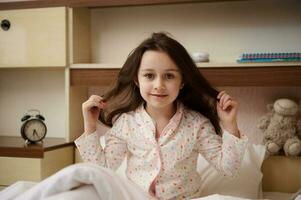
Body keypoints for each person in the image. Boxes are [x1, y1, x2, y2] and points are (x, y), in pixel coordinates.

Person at [75, 32, 248, 200]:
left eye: (169, 76)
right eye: (149, 75)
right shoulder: (126, 123)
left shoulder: (197, 124)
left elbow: (229, 169)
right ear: (136, 79)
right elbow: (102, 169)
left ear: (182, 81)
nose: (159, 85)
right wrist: (90, 127)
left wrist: (230, 125)